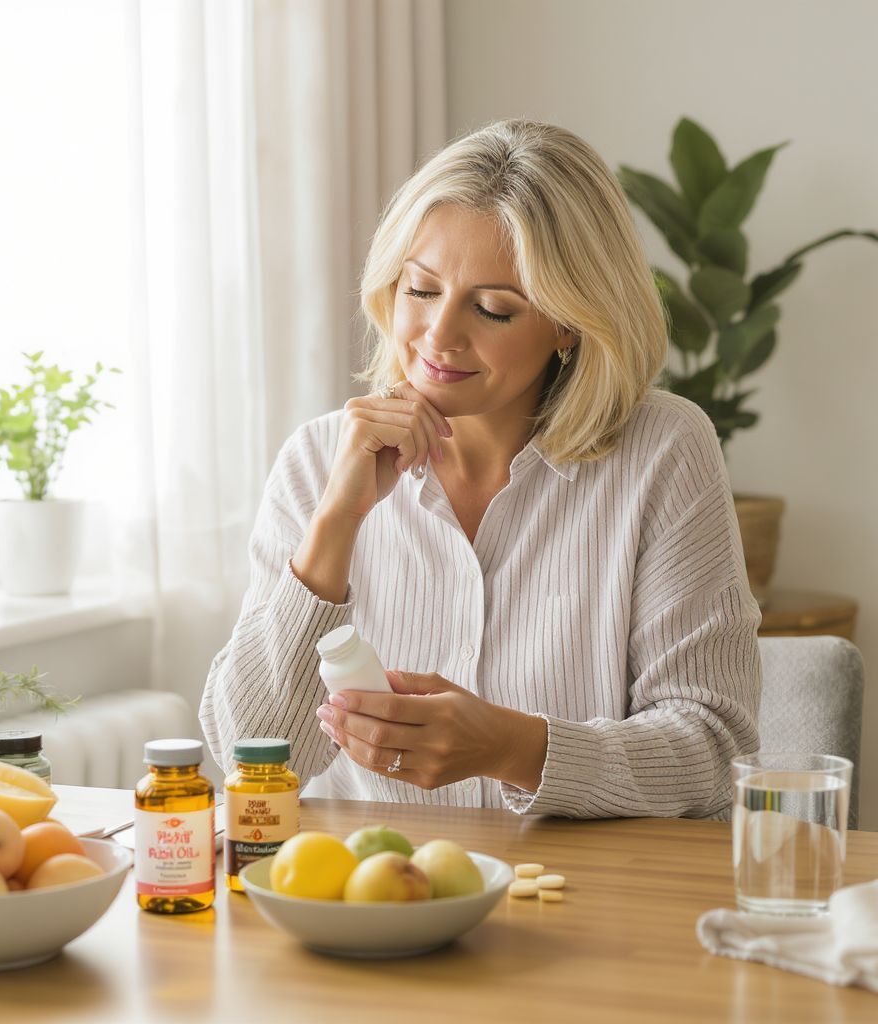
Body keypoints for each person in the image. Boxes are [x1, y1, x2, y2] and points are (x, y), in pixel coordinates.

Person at [199, 119, 761, 818]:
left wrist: (514, 747)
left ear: (568, 322)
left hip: (578, 901)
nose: (437, 337)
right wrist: (335, 524)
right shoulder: (317, 459)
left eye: (493, 308)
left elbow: (714, 752)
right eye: (422, 290)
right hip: (363, 898)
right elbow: (250, 755)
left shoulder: (662, 451)